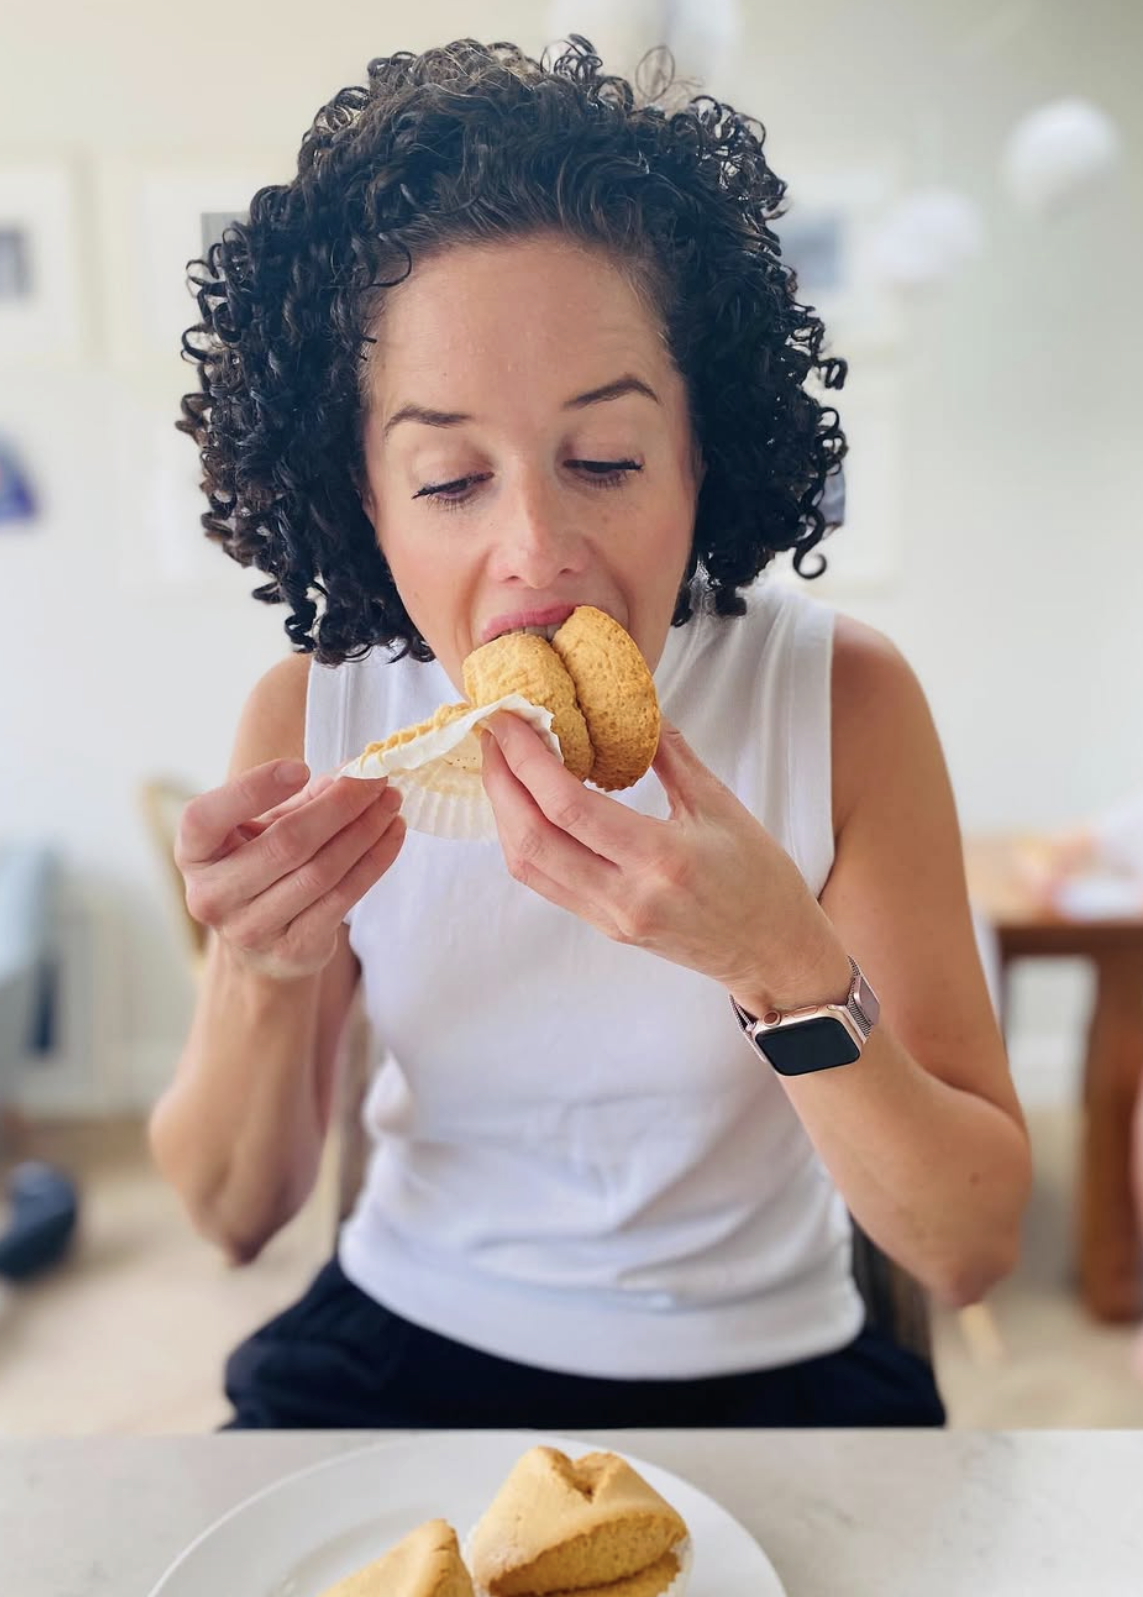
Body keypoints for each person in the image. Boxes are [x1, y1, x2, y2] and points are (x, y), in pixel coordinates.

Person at [149, 36, 1031, 1429]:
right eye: (448, 478)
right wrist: (262, 968)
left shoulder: (840, 703)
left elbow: (967, 1247)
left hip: (770, 1360)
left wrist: (775, 961)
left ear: (703, 452)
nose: (535, 549)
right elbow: (227, 1215)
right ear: (360, 502)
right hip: (400, 1337)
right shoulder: (313, 716)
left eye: (605, 461)